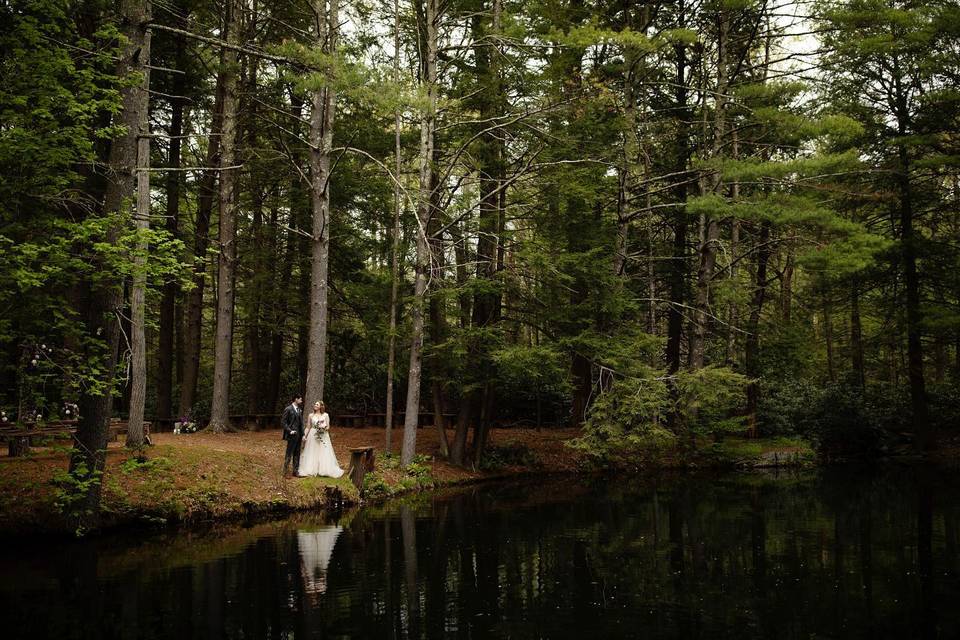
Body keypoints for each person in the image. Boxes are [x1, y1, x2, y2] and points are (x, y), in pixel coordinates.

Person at [298, 401, 345, 478]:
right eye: (315, 404)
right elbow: (308, 427)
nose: (315, 405)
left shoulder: (326, 415)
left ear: (321, 406)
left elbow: (328, 426)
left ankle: (323, 469)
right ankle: (311, 468)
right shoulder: (311, 415)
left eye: (317, 404)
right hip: (313, 435)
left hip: (323, 435)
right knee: (313, 451)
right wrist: (304, 435)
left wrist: (323, 429)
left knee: (323, 451)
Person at [281, 394, 304, 476]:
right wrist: (289, 431)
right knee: (289, 453)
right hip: (291, 435)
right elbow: (283, 422)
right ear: (296, 399)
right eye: (300, 399)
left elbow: (301, 424)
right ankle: (285, 471)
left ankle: (295, 471)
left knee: (297, 453)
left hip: (299, 435)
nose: (301, 401)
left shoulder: (299, 410)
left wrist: (303, 434)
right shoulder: (288, 409)